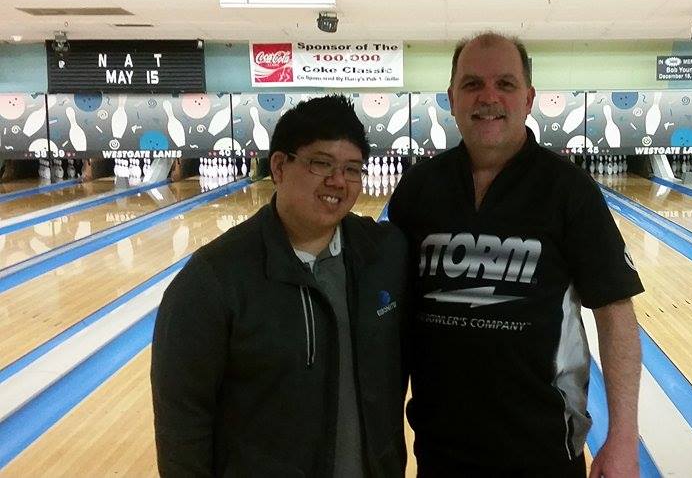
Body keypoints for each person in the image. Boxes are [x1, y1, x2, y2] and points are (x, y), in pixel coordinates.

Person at [389, 33, 644, 477]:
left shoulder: (568, 190)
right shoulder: (418, 188)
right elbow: (391, 316)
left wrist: (623, 439)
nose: (489, 97)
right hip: (439, 452)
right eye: (472, 84)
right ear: (451, 97)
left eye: (505, 84)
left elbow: (615, 311)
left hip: (543, 451)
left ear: (528, 99)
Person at [152, 95, 408, 477]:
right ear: (278, 166)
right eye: (321, 163)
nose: (338, 181)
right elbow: (182, 427)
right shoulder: (212, 281)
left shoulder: (385, 255)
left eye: (352, 169)